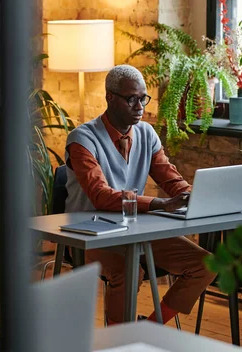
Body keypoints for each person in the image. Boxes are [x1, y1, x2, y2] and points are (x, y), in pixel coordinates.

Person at [65, 64, 216, 325]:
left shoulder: (147, 133)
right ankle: (117, 340)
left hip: (136, 234)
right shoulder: (82, 139)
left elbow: (172, 179)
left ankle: (149, 327)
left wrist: (194, 196)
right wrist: (161, 204)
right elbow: (101, 196)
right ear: (110, 97)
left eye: (143, 98)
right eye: (131, 99)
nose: (140, 106)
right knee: (129, 271)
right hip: (88, 236)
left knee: (207, 264)